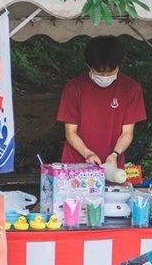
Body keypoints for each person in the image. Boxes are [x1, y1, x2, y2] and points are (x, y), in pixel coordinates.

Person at [57, 36, 146, 168]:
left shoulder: (131, 88)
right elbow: (70, 132)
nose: (105, 76)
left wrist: (115, 154)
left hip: (112, 166)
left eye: (110, 72)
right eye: (99, 71)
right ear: (89, 65)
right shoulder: (73, 88)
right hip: (76, 166)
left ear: (119, 65)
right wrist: (87, 154)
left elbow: (127, 132)